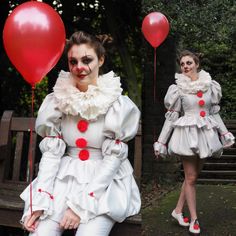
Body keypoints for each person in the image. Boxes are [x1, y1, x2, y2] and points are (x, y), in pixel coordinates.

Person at [20, 31, 141, 236]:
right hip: (66, 177)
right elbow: (51, 154)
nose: (79, 67)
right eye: (73, 61)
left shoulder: (116, 103)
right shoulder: (59, 100)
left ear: (101, 60)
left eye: (87, 60)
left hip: (105, 183)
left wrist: (79, 207)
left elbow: (113, 159)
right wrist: (40, 199)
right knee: (41, 233)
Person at [153, 50, 235, 234]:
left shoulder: (209, 86)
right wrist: (161, 142)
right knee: (190, 178)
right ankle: (194, 219)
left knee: (193, 177)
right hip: (187, 136)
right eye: (182, 64)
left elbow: (214, 113)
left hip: (206, 135)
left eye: (189, 63)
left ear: (197, 64)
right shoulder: (178, 89)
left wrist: (224, 133)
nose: (185, 67)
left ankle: (177, 211)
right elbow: (171, 117)